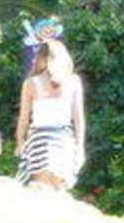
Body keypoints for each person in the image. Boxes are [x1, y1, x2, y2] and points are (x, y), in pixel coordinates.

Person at [15, 37, 86, 190]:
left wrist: (21, 143)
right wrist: (80, 147)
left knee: (38, 188)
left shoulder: (31, 83)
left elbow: (23, 119)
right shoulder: (73, 81)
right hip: (63, 139)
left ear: (41, 58)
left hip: (40, 139)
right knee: (58, 188)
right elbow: (79, 119)